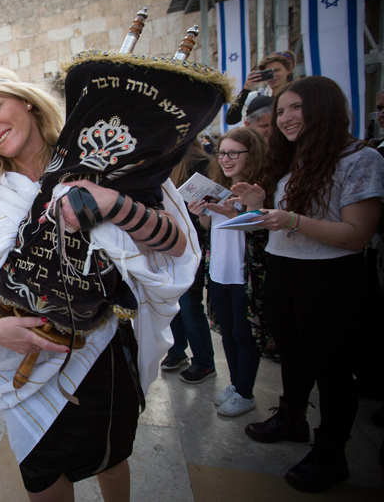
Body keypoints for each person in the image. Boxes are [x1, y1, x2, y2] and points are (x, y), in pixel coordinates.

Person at [0, 65, 202, 501]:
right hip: (21, 363)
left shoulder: (104, 160)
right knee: (41, 475)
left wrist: (112, 203)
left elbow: (175, 244)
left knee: (111, 458)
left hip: (100, 352)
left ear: (24, 100)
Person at [231, 76, 384, 492]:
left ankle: (331, 453)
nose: (286, 118)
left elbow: (356, 235)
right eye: (281, 111)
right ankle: (291, 417)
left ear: (323, 107)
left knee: (331, 369)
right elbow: (283, 221)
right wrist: (258, 206)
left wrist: (293, 219)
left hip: (331, 277)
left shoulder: (359, 158)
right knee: (293, 354)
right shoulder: (293, 158)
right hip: (284, 268)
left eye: (295, 108)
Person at [188, 128, 270, 416]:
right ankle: (236, 386)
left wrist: (243, 209)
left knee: (244, 334)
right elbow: (212, 231)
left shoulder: (260, 190)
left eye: (234, 153)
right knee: (228, 334)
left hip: (243, 276)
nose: (226, 158)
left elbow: (262, 233)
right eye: (222, 152)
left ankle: (245, 393)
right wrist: (201, 215)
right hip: (219, 271)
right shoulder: (217, 187)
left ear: (253, 154)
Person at [161, 143, 217, 384]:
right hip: (167, 242)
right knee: (172, 300)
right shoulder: (165, 160)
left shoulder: (201, 164)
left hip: (192, 244)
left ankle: (204, 362)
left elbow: (208, 206)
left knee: (190, 304)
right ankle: (177, 350)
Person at [225, 51, 295, 126]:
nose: (273, 75)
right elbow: (231, 119)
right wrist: (246, 89)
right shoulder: (255, 97)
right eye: (268, 72)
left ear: (288, 70)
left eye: (277, 70)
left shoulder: (297, 95)